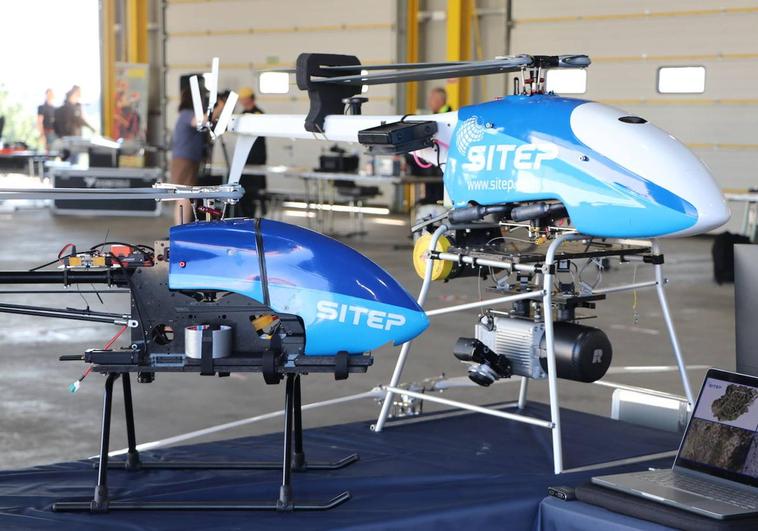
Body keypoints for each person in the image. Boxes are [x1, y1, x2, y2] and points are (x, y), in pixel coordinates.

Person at [406, 87, 454, 203]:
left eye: (432, 98)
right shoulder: (442, 114)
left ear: (440, 100)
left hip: (439, 165)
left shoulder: (443, 116)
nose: (429, 101)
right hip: (437, 164)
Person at [170, 88, 207, 224]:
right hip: (184, 160)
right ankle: (181, 227)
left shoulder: (184, 114)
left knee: (186, 195)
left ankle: (181, 226)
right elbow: (200, 121)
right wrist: (219, 109)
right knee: (185, 195)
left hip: (188, 159)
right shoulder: (187, 114)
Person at [237, 87, 268, 218]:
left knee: (256, 186)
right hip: (245, 155)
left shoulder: (259, 113)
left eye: (243, 99)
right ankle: (245, 213)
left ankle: (257, 210)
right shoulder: (243, 113)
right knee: (245, 186)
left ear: (249, 98)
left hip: (257, 155)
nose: (241, 102)